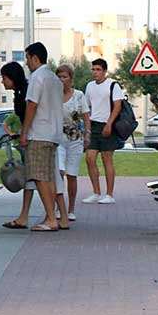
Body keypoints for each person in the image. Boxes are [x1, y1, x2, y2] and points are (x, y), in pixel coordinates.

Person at [20, 42, 67, 231]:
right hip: (54, 133)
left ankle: (50, 218)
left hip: (39, 133)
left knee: (39, 177)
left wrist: (24, 132)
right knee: (48, 176)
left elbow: (32, 105)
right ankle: (53, 216)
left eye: (27, 58)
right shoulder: (54, 79)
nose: (26, 63)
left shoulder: (37, 77)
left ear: (35, 58)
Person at [83, 58, 124, 204]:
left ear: (105, 71)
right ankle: (96, 191)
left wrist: (109, 124)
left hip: (108, 125)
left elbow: (117, 106)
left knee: (107, 159)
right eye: (93, 69)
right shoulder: (89, 86)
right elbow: (87, 107)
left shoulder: (112, 85)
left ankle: (109, 194)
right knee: (90, 158)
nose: (95, 72)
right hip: (94, 125)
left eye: (98, 69)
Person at [0, 62, 34, 230]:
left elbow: (29, 115)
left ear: (12, 78)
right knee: (32, 179)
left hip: (33, 139)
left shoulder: (25, 93)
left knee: (41, 179)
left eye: (4, 78)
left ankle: (56, 216)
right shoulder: (21, 92)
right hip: (30, 138)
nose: (2, 82)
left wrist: (24, 134)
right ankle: (24, 216)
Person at [55, 63, 89, 221]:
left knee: (71, 174)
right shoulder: (53, 96)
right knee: (59, 172)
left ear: (71, 79)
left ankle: (71, 208)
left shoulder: (79, 96)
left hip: (75, 139)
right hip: (58, 139)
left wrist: (87, 134)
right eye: (59, 77)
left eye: (65, 77)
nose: (62, 80)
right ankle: (58, 207)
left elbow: (86, 115)